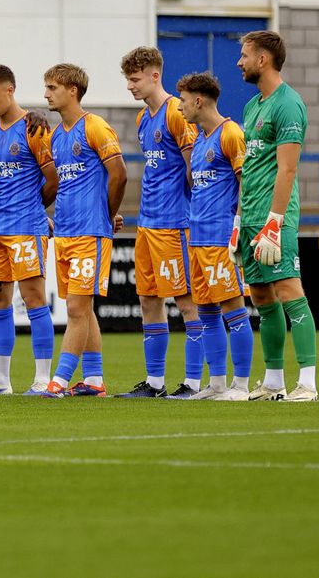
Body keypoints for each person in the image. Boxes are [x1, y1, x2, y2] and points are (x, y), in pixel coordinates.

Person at [235, 31, 319, 401]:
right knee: (262, 298)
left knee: (289, 289)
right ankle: (272, 381)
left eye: (244, 55)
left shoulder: (289, 104)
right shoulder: (253, 106)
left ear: (263, 60)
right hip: (251, 216)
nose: (240, 62)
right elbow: (251, 168)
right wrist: (239, 222)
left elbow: (287, 170)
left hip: (274, 219)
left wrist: (275, 222)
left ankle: (308, 383)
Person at [117, 46, 203, 400]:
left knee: (186, 303)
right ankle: (154, 384)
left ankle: (194, 384)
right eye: (127, 80)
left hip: (175, 223)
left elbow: (193, 169)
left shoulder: (176, 113)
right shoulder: (143, 119)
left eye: (134, 79)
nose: (130, 87)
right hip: (147, 225)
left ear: (155, 76)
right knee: (148, 300)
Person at [41, 64, 127, 398]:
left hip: (90, 232)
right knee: (82, 309)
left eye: (52, 87)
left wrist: (108, 214)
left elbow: (118, 173)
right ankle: (93, 380)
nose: (47, 93)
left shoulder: (95, 126)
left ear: (72, 90)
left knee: (77, 309)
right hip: (65, 232)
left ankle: (58, 381)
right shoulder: (57, 135)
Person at [0, 64, 58, 396]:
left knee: (34, 299)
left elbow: (52, 179)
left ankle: (42, 379)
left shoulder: (34, 128)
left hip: (26, 229)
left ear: (10, 90)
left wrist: (34, 210)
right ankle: (0, 380)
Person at [176, 72, 254, 401]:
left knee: (234, 311)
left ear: (198, 101)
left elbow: (246, 184)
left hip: (221, 238)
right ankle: (218, 383)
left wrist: (238, 228)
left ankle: (241, 384)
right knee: (206, 313)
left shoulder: (230, 133)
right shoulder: (200, 139)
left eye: (182, 100)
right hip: (197, 238)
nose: (179, 107)